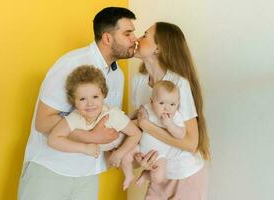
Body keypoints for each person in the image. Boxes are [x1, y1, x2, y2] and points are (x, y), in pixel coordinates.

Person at [18, 7, 137, 200]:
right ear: (107, 38)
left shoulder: (117, 76)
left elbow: (106, 126)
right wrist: (90, 136)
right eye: (127, 33)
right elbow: (43, 121)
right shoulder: (71, 64)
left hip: (87, 176)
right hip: (50, 170)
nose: (134, 39)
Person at [131, 22, 210, 199]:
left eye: (144, 35)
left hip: (186, 176)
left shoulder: (179, 83)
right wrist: (139, 159)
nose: (137, 38)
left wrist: (147, 126)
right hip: (158, 174)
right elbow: (140, 132)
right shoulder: (139, 81)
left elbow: (191, 143)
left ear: (158, 48)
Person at [47, 65, 141, 183]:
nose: (90, 104)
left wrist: (119, 153)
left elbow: (136, 134)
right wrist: (84, 148)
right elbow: (53, 140)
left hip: (136, 143)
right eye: (82, 99)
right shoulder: (76, 117)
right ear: (74, 102)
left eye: (95, 97)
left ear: (103, 95)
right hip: (119, 149)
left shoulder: (111, 115)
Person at [121, 80, 185, 190]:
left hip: (159, 154)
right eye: (161, 103)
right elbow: (137, 113)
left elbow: (181, 134)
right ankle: (128, 175)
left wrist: (170, 125)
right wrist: (128, 118)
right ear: (152, 101)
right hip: (140, 148)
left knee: (159, 177)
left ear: (178, 104)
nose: (167, 108)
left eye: (172, 104)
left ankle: (146, 175)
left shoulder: (175, 117)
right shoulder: (148, 109)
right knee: (125, 158)